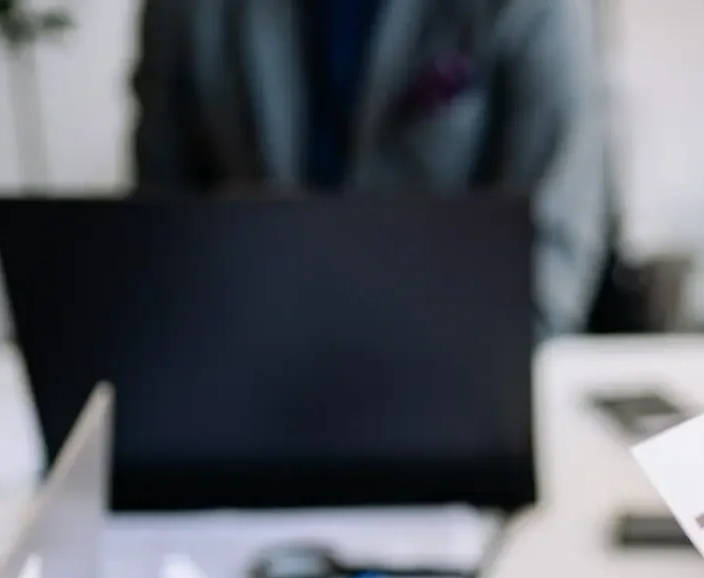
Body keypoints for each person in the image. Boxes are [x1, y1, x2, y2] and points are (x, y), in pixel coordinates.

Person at [129, 0, 611, 336]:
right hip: (247, 367)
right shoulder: (186, 10)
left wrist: (475, 391)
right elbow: (160, 234)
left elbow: (554, 244)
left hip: (453, 380)